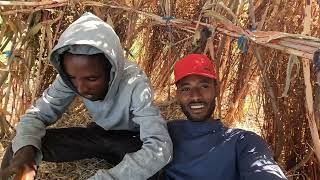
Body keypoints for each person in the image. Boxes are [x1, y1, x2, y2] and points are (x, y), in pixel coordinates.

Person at [0, 12, 172, 180]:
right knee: (20, 147)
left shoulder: (134, 82)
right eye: (73, 78)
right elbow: (37, 115)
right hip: (98, 136)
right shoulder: (71, 78)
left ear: (112, 71)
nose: (80, 88)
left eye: (92, 79)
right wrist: (26, 150)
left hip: (131, 142)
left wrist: (108, 177)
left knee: (154, 171)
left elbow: (160, 146)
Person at [161, 54, 287, 180]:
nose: (195, 96)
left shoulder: (243, 142)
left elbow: (264, 172)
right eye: (186, 88)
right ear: (177, 94)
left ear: (216, 89)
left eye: (204, 86)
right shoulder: (163, 132)